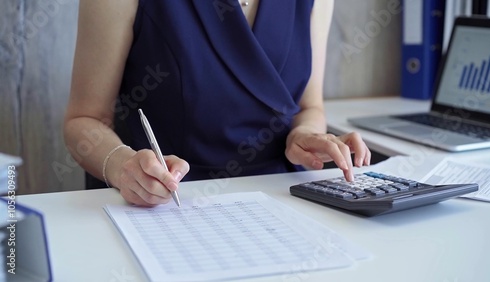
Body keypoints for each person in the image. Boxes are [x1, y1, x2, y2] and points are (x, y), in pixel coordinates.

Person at [64, 0, 371, 206]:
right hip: (170, 201)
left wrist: (305, 135)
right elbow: (85, 120)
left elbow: (309, 107)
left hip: (284, 199)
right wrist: (122, 167)